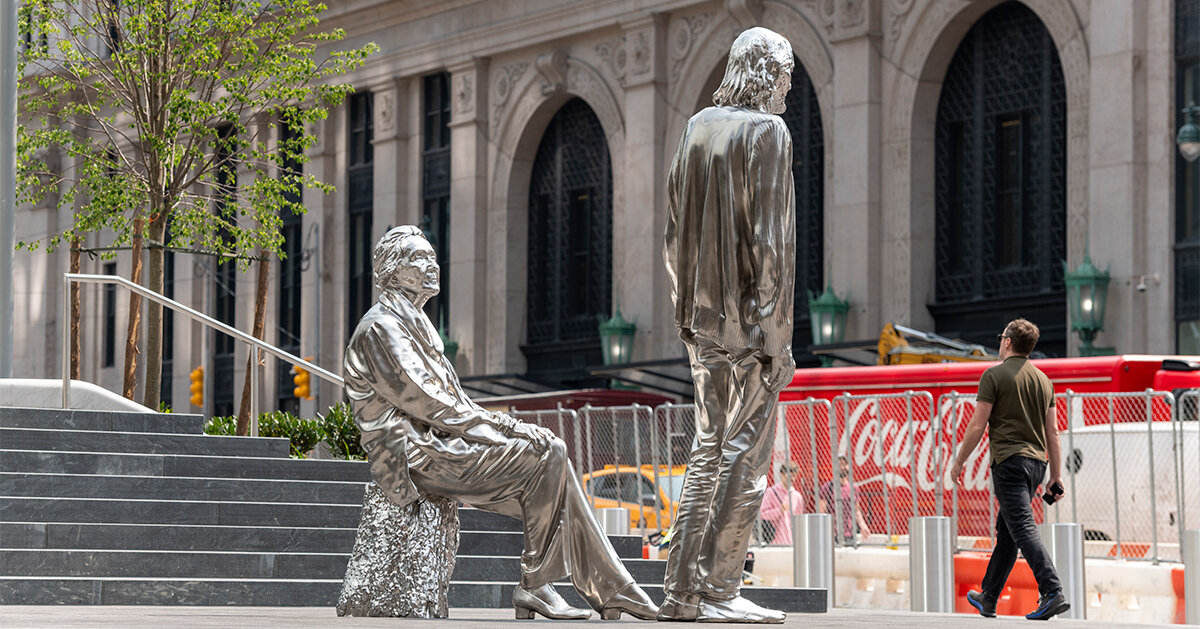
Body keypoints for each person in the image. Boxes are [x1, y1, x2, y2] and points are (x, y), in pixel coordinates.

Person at [344, 226, 657, 621]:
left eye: (432, 256)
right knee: (547, 457)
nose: (433, 265)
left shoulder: (416, 324)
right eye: (419, 258)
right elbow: (432, 405)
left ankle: (594, 588)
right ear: (393, 270)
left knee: (552, 460)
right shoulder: (380, 328)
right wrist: (510, 428)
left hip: (439, 442)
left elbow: (453, 404)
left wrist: (508, 429)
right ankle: (560, 587)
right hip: (413, 455)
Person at [660, 26, 796, 624]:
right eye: (785, 73)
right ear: (766, 73)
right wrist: (776, 337)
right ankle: (718, 589)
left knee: (706, 448)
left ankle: (679, 592)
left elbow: (671, 235)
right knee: (746, 454)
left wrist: (685, 310)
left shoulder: (695, 129)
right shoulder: (768, 132)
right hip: (749, 328)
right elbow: (772, 244)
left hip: (701, 324)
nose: (789, 85)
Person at [949, 318, 1070, 620]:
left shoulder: (994, 375)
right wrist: (1055, 475)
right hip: (1036, 466)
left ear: (1007, 342)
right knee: (1008, 532)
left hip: (1009, 464)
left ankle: (1052, 590)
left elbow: (978, 424)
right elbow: (1052, 433)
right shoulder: (1044, 382)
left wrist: (959, 460)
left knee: (1022, 527)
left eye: (1002, 337)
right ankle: (989, 597)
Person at [818, 456, 871, 545]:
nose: (842, 467)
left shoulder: (853, 488)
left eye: (845, 464)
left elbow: (857, 511)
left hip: (850, 534)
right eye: (839, 465)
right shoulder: (827, 488)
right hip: (833, 535)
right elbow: (821, 512)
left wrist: (863, 525)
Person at [759, 461, 805, 545]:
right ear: (782, 474)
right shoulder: (771, 492)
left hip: (792, 541)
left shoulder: (797, 496)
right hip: (774, 542)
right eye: (790, 475)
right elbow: (762, 514)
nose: (792, 478)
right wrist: (779, 510)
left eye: (794, 476)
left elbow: (799, 520)